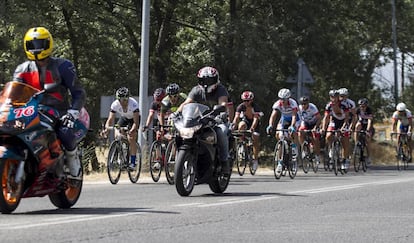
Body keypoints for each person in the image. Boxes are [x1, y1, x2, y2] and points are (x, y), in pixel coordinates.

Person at [13, 27, 86, 177]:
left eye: (40, 44)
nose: (36, 49)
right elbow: (14, 94)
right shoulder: (21, 69)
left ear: (49, 44)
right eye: (32, 45)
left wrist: (73, 112)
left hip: (58, 110)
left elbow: (79, 93)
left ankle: (72, 158)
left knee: (65, 131)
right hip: (29, 111)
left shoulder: (63, 66)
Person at [176, 66, 233, 175]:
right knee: (180, 132)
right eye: (203, 81)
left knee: (221, 132)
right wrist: (176, 113)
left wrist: (220, 113)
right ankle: (180, 162)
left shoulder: (221, 89)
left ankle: (224, 161)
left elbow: (223, 104)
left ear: (215, 80)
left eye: (209, 81)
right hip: (199, 120)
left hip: (217, 120)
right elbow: (186, 103)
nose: (206, 84)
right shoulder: (196, 90)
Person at [103, 87, 140, 169]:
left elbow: (136, 123)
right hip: (124, 118)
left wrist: (132, 130)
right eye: (122, 100)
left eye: (126, 100)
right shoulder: (115, 104)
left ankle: (133, 162)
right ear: (118, 99)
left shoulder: (133, 104)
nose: (124, 102)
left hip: (133, 120)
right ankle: (121, 153)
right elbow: (110, 119)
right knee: (117, 133)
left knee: (131, 138)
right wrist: (107, 129)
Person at [266, 88, 300, 173]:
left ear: (288, 98)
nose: (282, 101)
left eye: (284, 99)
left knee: (293, 132)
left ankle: (295, 148)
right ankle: (280, 162)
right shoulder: (278, 104)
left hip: (295, 119)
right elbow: (273, 116)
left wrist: (292, 126)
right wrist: (270, 125)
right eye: (280, 99)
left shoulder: (293, 103)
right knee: (280, 136)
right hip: (284, 119)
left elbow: (294, 116)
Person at [232, 91, 263, 171]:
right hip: (246, 121)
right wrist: (232, 126)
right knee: (241, 126)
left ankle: (255, 159)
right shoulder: (240, 107)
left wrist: (252, 128)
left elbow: (256, 119)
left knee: (255, 138)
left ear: (251, 100)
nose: (246, 102)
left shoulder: (255, 107)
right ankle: (242, 143)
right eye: (244, 101)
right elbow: (236, 118)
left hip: (254, 123)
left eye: (247, 101)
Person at [321, 89, 350, 170]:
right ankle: (331, 149)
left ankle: (345, 160)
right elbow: (326, 117)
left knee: (345, 141)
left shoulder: (344, 105)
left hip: (344, 122)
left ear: (338, 97)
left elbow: (347, 118)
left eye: (335, 97)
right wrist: (323, 128)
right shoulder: (329, 105)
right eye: (332, 97)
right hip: (334, 121)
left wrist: (343, 128)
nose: (333, 98)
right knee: (328, 135)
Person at [297, 96, 322, 165]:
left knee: (315, 138)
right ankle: (304, 150)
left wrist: (315, 127)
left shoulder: (313, 108)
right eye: (302, 104)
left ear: (308, 103)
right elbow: (297, 118)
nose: (303, 105)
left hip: (314, 123)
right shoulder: (299, 108)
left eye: (305, 104)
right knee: (300, 132)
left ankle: (317, 155)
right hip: (305, 123)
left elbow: (319, 118)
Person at [354, 98, 374, 164]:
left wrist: (368, 130)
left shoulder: (369, 110)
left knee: (367, 140)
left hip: (368, 126)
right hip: (361, 124)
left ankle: (369, 156)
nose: (362, 107)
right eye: (361, 106)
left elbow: (369, 121)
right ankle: (356, 143)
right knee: (357, 127)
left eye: (363, 106)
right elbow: (356, 119)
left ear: (366, 106)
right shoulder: (358, 110)